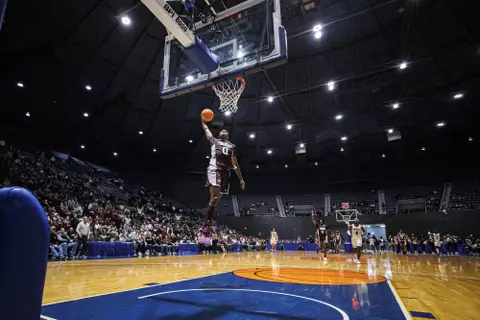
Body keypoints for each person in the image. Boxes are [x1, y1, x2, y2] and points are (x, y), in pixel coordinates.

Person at [201, 119, 245, 232]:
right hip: (214, 169)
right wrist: (203, 122)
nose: (224, 130)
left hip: (225, 173)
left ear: (228, 136)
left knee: (216, 200)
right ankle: (206, 224)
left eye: (226, 131)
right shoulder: (214, 140)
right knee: (215, 197)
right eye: (222, 130)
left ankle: (208, 221)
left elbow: (235, 163)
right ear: (220, 134)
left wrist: (241, 179)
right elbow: (207, 131)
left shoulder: (232, 146)